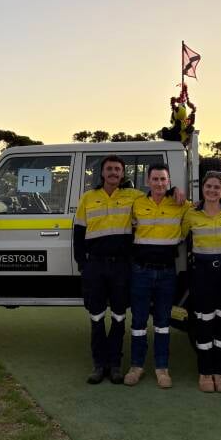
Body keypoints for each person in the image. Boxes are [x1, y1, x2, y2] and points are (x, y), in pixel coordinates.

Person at [74, 155, 144, 384]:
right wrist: (83, 264)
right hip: (95, 265)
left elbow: (157, 199)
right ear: (102, 173)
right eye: (109, 169)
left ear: (123, 174)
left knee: (118, 317)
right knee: (96, 317)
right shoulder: (88, 198)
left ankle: (114, 365)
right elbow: (78, 233)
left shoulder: (134, 196)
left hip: (121, 266)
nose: (113, 172)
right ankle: (98, 365)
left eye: (117, 169)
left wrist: (175, 191)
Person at [124, 164, 190, 389]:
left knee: (163, 322)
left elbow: (205, 207)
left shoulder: (181, 204)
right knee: (139, 322)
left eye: (163, 179)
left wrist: (179, 191)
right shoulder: (137, 203)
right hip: (140, 271)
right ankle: (136, 366)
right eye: (155, 179)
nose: (159, 183)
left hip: (166, 272)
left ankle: (162, 369)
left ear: (169, 181)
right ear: (148, 181)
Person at [181, 171, 221, 393]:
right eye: (209, 186)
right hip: (202, 272)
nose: (212, 190)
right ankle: (205, 372)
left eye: (217, 187)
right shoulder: (191, 213)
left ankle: (220, 373)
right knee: (204, 322)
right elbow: (181, 236)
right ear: (203, 188)